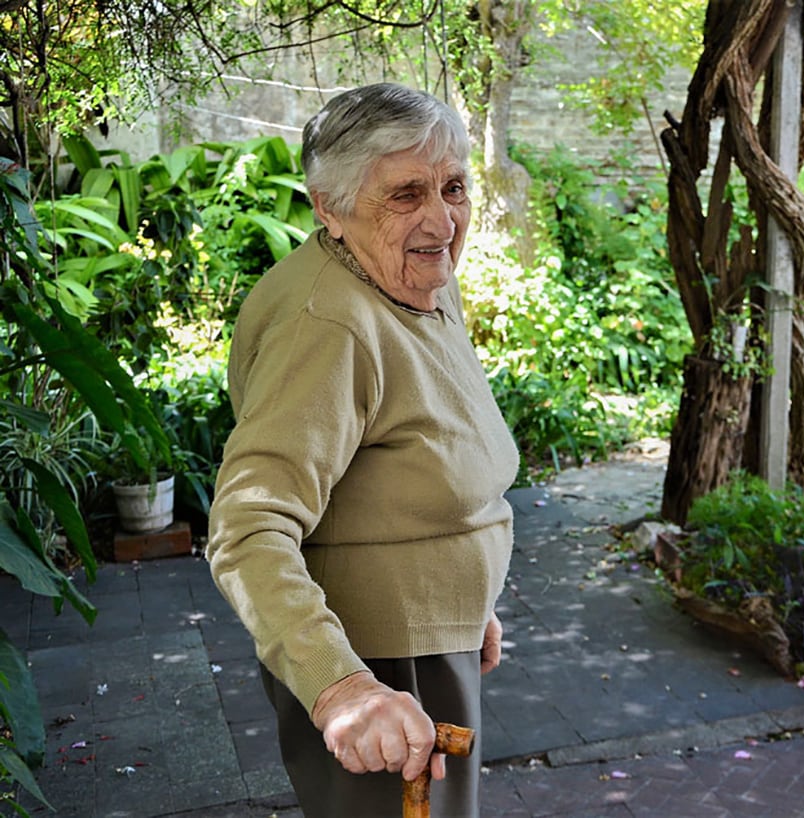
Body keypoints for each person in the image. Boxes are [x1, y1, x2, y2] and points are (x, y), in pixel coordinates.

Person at [206, 82, 518, 817]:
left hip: (427, 648)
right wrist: (342, 690)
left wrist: (464, 600)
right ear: (329, 208)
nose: (441, 219)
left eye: (453, 187)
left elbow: (424, 460)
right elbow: (247, 529)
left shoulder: (416, 278)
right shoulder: (329, 324)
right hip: (377, 674)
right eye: (406, 195)